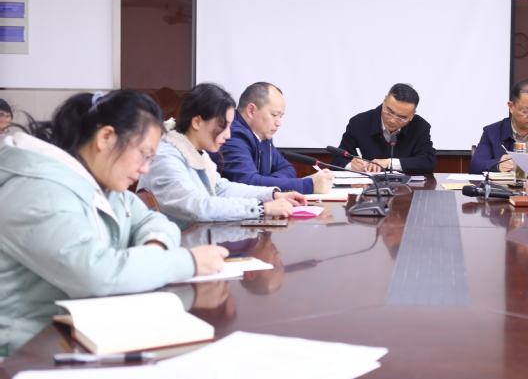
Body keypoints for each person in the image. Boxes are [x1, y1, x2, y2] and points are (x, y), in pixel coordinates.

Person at [0, 90, 229, 330]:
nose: (145, 169)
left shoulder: (103, 185)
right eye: (144, 155)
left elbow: (154, 221)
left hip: (76, 329)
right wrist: (187, 262)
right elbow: (97, 275)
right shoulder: (39, 192)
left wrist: (155, 249)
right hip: (27, 343)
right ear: (106, 138)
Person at [138, 83, 306, 231]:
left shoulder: (198, 153)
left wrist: (273, 194)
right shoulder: (166, 157)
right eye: (223, 126)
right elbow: (199, 207)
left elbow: (221, 188)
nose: (228, 135)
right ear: (197, 122)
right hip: (172, 247)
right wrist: (263, 208)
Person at [209, 82, 334, 194]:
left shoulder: (262, 135)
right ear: (251, 111)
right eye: (274, 115)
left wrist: (265, 182)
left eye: (281, 116)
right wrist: (308, 185)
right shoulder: (232, 136)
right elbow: (248, 183)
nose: (279, 123)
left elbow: (287, 168)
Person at [330, 83, 437, 173]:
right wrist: (352, 165)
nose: (392, 120)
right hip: (368, 186)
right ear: (384, 101)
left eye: (401, 117)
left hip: (405, 187)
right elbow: (337, 160)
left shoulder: (420, 126)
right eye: (389, 112)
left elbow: (428, 161)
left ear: (412, 116)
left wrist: (388, 163)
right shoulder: (359, 122)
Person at [469, 79, 528, 175]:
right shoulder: (492, 132)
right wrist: (497, 165)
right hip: (501, 186)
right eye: (526, 111)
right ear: (511, 106)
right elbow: (475, 166)